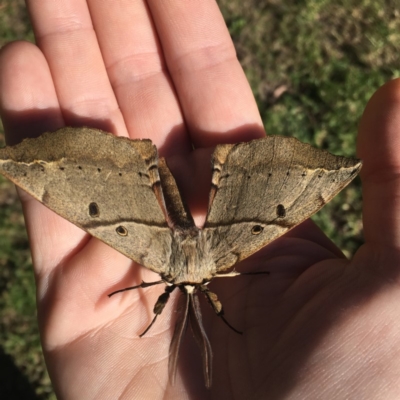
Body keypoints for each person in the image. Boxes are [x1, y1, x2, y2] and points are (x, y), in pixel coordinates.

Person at [0, 1, 399, 398]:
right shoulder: (219, 263)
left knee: (74, 200)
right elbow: (224, 276)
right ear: (210, 282)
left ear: (170, 282)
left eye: (177, 285)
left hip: (149, 213)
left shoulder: (205, 267)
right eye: (198, 285)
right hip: (189, 220)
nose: (188, 287)